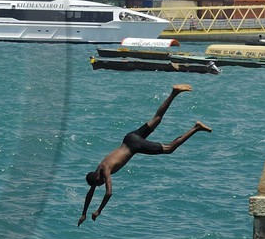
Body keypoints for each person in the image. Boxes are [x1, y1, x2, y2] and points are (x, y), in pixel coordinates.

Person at [79, 84, 211, 225]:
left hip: (134, 146)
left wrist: (99, 210)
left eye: (100, 183)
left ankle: (196, 128)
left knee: (169, 149)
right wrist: (84, 213)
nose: (101, 184)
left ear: (98, 178)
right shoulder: (99, 168)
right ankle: (174, 93)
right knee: (157, 119)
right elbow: (90, 193)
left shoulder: (105, 171)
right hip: (129, 138)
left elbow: (109, 193)